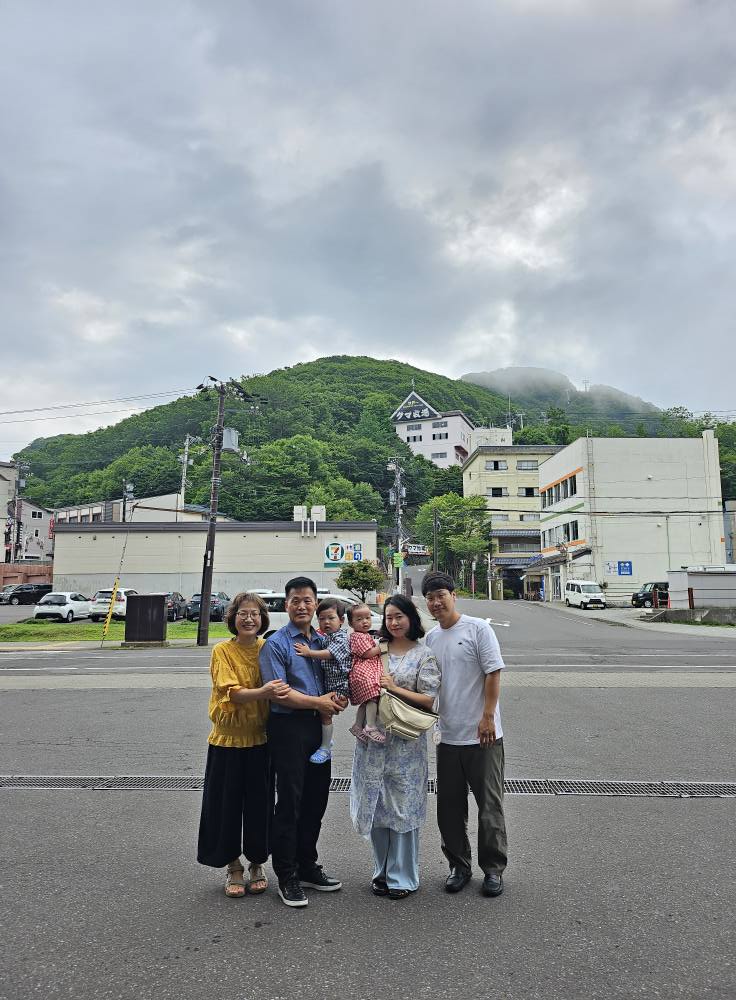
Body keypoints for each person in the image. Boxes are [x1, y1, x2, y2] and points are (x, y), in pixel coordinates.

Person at [260, 576, 347, 908]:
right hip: (288, 727)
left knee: (316, 799)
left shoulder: (323, 640)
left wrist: (336, 699)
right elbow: (279, 693)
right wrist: (319, 702)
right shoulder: (276, 644)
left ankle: (308, 865)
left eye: (307, 600)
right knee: (290, 802)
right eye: (295, 600)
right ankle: (287, 874)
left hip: (318, 727)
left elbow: (339, 673)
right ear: (286, 605)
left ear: (315, 604)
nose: (301, 606)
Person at [197, 592, 291, 898]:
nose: (249, 619)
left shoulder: (268, 648)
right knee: (225, 807)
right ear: (232, 618)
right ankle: (233, 866)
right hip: (226, 741)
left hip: (261, 739)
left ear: (263, 619)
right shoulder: (222, 651)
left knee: (260, 807)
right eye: (242, 613)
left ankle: (257, 863)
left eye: (254, 614)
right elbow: (232, 693)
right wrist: (264, 692)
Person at [422, 571, 508, 898]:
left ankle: (493, 869)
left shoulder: (478, 629)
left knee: (489, 806)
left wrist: (487, 717)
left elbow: (493, 672)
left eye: (441, 595)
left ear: (453, 596)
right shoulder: (431, 638)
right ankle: (459, 866)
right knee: (449, 808)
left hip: (483, 736)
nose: (436, 602)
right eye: (430, 598)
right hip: (448, 737)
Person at [350, 594, 441, 900]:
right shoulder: (377, 650)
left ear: (411, 618)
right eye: (388, 617)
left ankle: (402, 877)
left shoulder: (424, 655)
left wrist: (394, 688)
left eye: (399, 616)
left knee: (403, 808)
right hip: (373, 740)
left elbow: (428, 699)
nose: (393, 622)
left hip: (405, 744)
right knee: (377, 804)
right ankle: (381, 872)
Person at [294, 597, 352, 764]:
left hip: (339, 687)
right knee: (324, 717)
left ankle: (325, 748)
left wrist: (309, 652)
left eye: (331, 618)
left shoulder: (341, 638)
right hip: (330, 685)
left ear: (341, 620)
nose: (326, 622)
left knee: (325, 715)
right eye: (321, 618)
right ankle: (327, 739)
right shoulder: (327, 636)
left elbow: (329, 654)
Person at [346, 602, 384, 744]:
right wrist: (381, 647)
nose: (365, 622)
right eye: (359, 619)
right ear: (351, 623)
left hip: (363, 671)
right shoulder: (358, 636)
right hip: (363, 671)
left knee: (366, 700)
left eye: (367, 618)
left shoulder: (363, 635)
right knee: (373, 696)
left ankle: (357, 726)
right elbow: (367, 653)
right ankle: (370, 726)